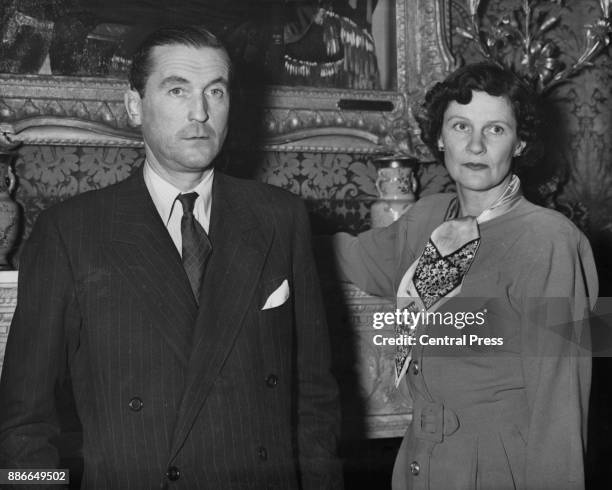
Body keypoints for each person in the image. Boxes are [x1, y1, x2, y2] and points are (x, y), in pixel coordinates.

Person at [0, 25, 342, 490]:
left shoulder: (280, 218)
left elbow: (315, 400)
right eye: (177, 89)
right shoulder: (71, 231)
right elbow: (22, 423)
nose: (200, 112)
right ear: (134, 106)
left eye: (215, 92)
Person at [333, 62, 598, 490]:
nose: (475, 145)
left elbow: (562, 402)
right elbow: (349, 258)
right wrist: (266, 226)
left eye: (495, 130)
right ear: (440, 137)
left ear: (521, 142)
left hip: (501, 469)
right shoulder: (426, 218)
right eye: (460, 126)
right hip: (420, 463)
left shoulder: (553, 242)